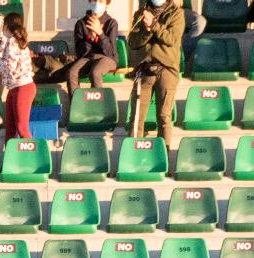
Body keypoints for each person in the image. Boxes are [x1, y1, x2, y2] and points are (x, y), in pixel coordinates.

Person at [127, 0, 184, 150]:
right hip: (145, 69)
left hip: (166, 69)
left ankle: (163, 156)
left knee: (164, 116)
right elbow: (132, 41)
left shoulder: (177, 13)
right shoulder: (141, 14)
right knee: (136, 117)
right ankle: (133, 155)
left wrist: (154, 25)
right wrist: (146, 30)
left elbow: (172, 38)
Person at [0, 12, 34, 140]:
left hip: (23, 87)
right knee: (10, 129)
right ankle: (10, 157)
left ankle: (32, 157)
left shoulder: (13, 41)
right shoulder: (11, 41)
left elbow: (9, 67)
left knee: (22, 128)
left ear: (6, 26)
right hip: (14, 88)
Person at [67, 0, 118, 94]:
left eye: (101, 1)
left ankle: (98, 104)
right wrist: (90, 38)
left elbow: (110, 52)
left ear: (107, 4)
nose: (97, 4)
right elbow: (81, 53)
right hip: (88, 57)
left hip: (107, 58)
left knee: (95, 72)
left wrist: (100, 34)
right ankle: (76, 104)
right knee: (72, 72)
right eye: (94, 1)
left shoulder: (111, 23)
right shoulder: (81, 23)